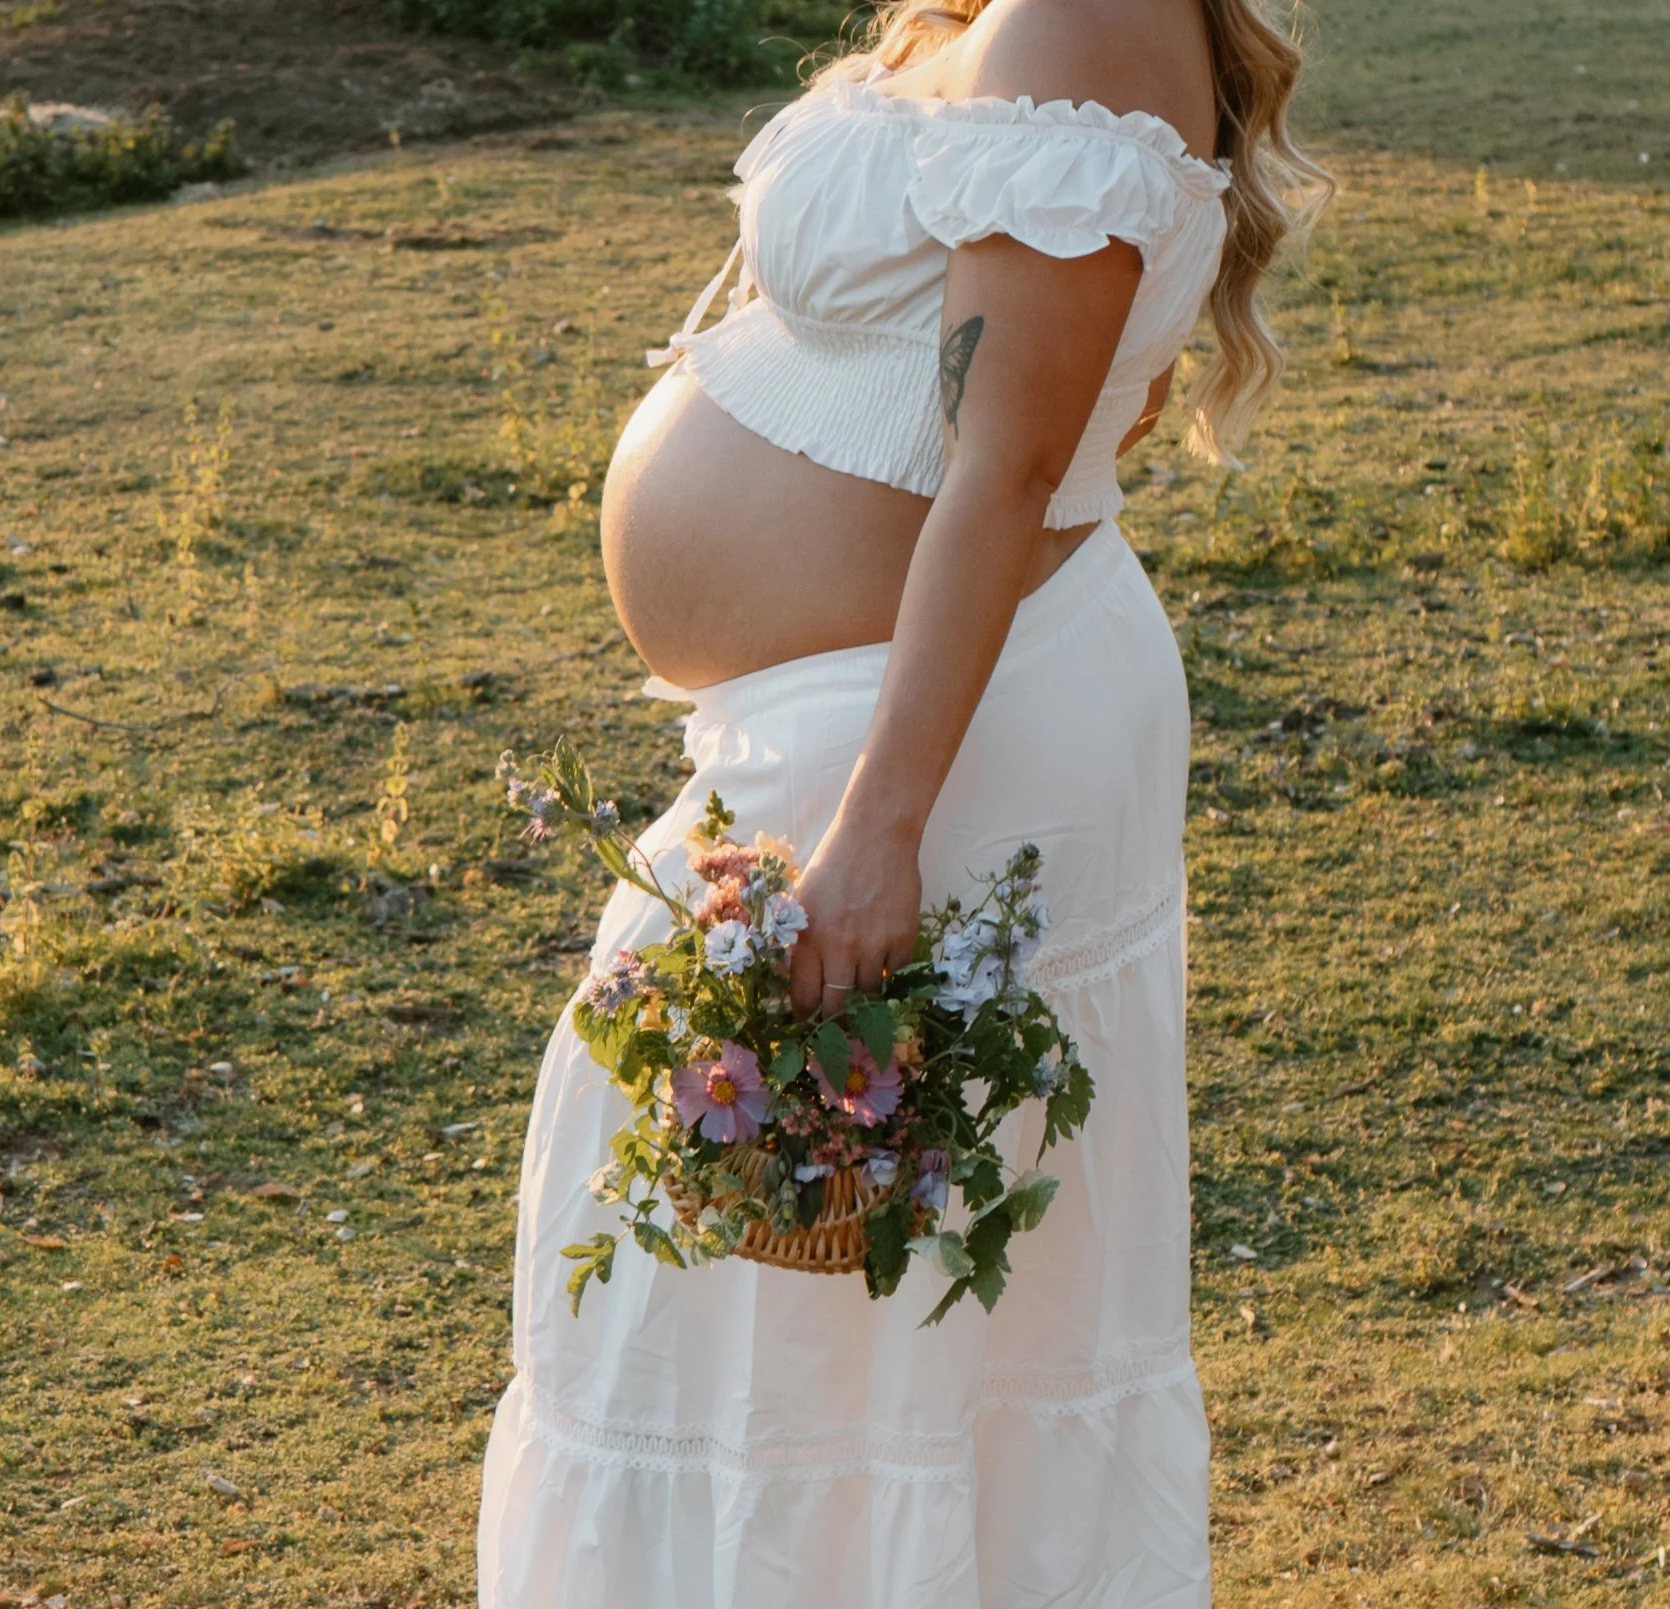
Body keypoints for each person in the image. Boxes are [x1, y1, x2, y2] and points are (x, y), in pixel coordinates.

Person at [480, 0, 1324, 1601]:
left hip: (934, 738)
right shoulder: (1000, 13)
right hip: (857, 704)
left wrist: (883, 824)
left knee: (867, 1304)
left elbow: (1007, 464)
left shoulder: (1084, 18)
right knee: (758, 1278)